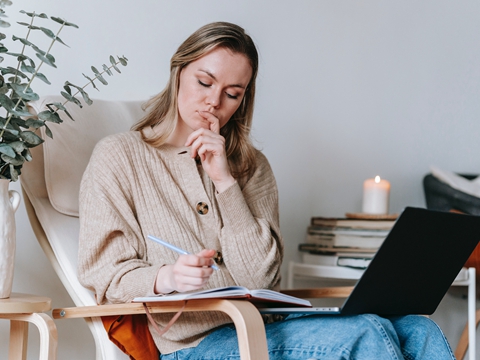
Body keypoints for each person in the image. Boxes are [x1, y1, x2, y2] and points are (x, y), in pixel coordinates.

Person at [78, 22, 455, 359]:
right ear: (178, 72)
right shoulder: (120, 156)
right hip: (196, 345)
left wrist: (225, 182)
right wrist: (169, 278)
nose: (214, 101)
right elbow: (105, 275)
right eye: (204, 82)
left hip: (269, 327)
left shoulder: (250, 166)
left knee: (419, 330)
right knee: (365, 333)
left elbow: (260, 277)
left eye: (233, 93)